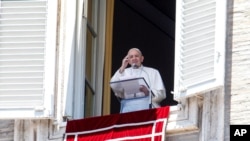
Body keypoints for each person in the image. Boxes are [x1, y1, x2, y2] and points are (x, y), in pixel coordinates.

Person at [110, 48, 166, 113]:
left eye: (136, 56)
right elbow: (114, 85)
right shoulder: (123, 72)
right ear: (128, 60)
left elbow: (161, 94)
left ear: (142, 59)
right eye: (131, 57)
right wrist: (122, 67)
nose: (134, 58)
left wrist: (148, 92)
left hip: (148, 110)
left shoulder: (153, 72)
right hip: (129, 110)